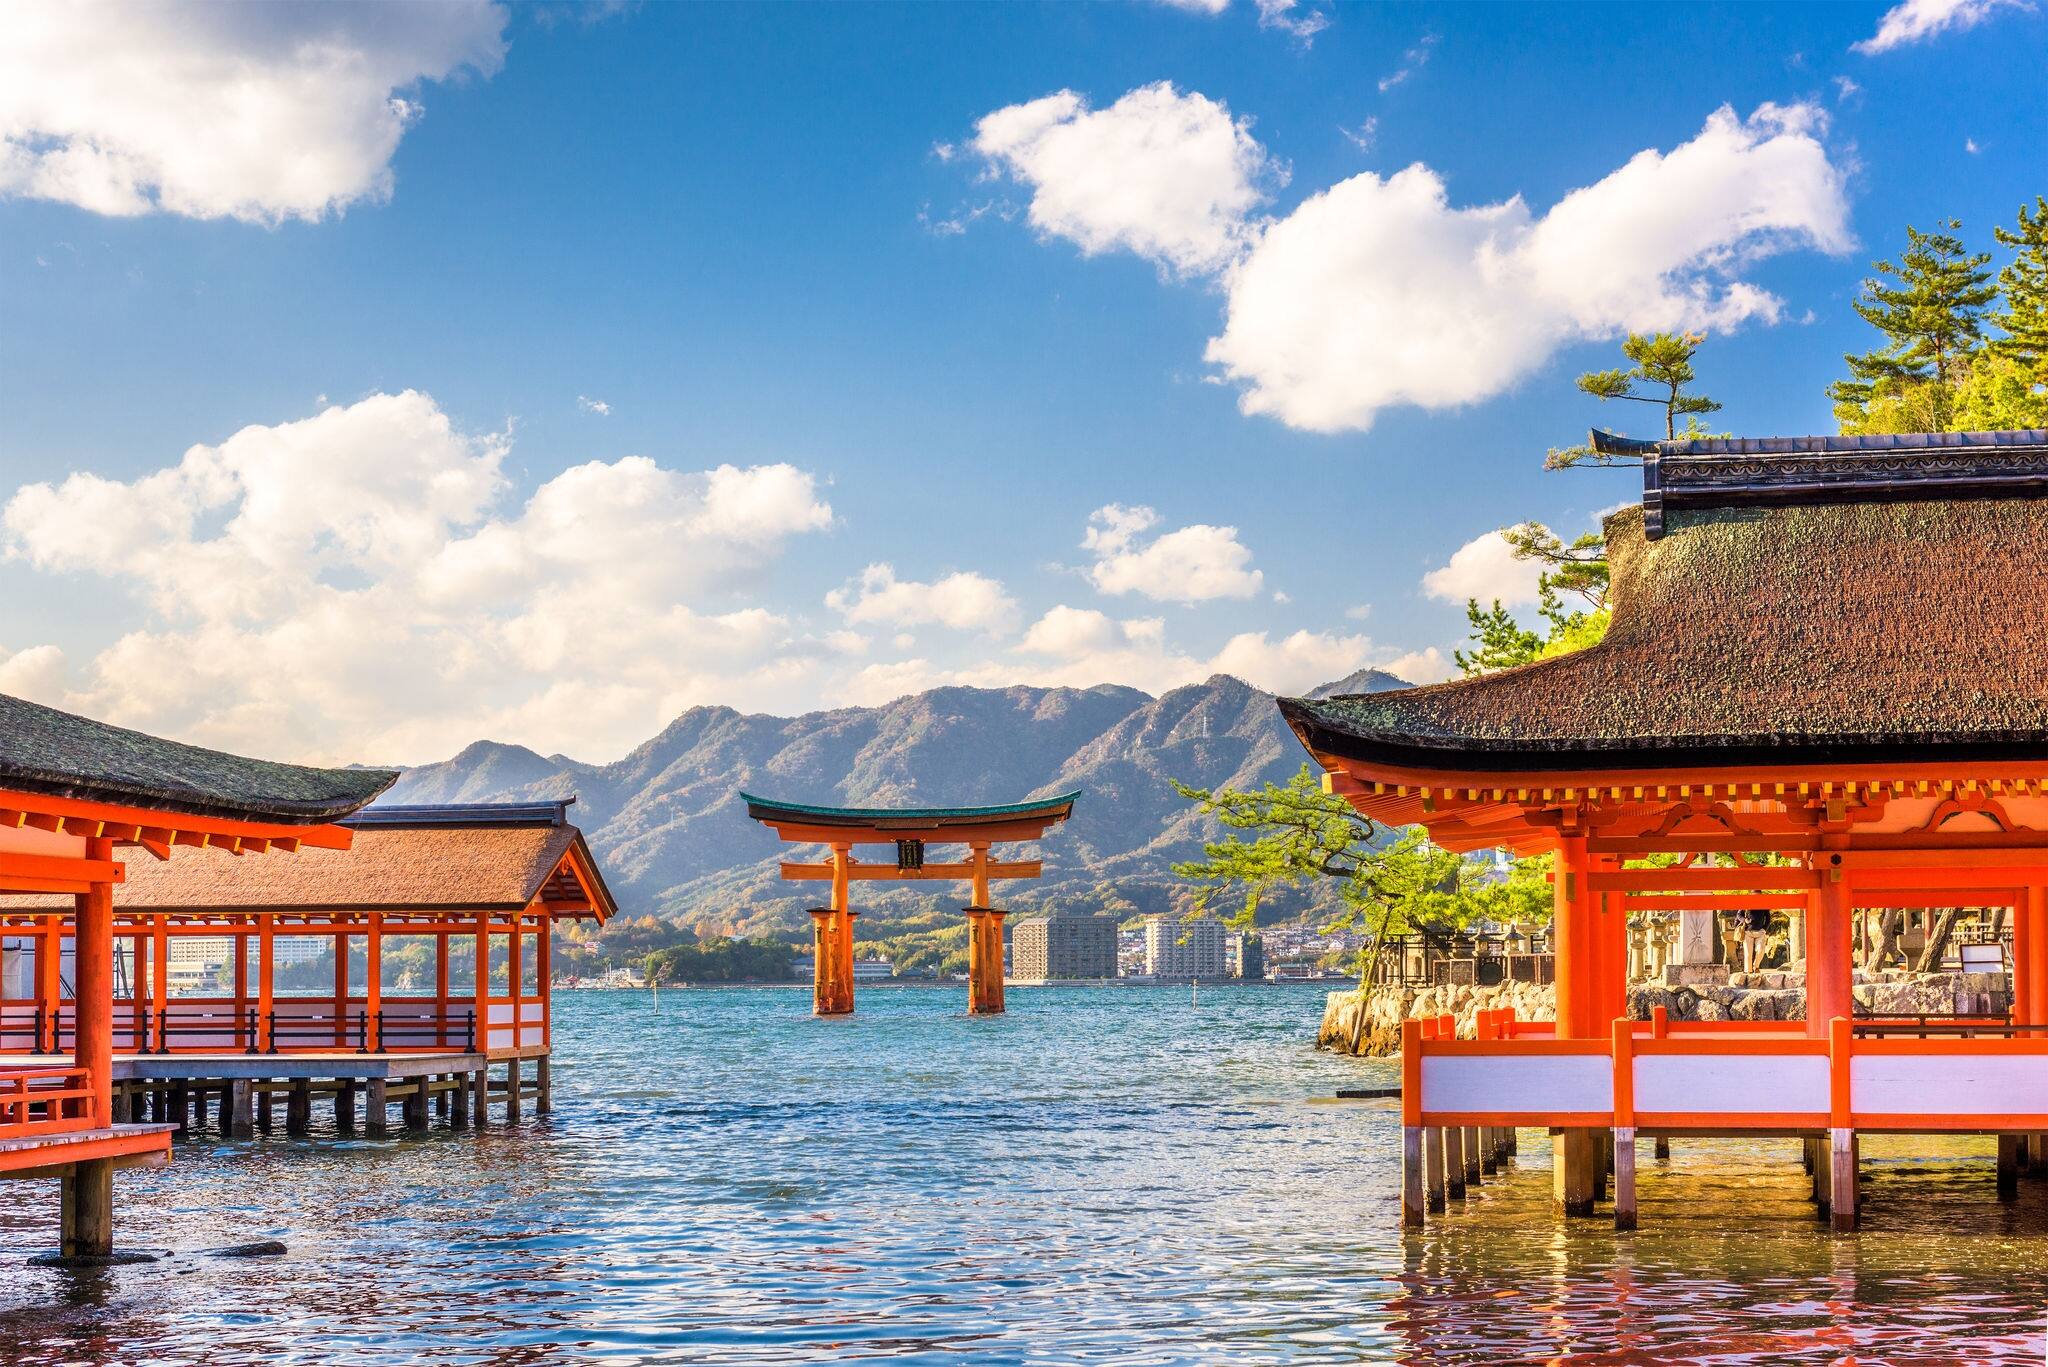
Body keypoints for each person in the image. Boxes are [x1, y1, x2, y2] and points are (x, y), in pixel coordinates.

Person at [1741, 907, 1773, 973]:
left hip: (1760, 932)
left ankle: (1756, 966)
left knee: (1761, 949)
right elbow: (1739, 914)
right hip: (1748, 932)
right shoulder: (1745, 902)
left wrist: (1764, 928)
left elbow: (1768, 918)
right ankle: (1748, 971)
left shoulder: (1764, 905)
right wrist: (1744, 920)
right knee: (1748, 953)